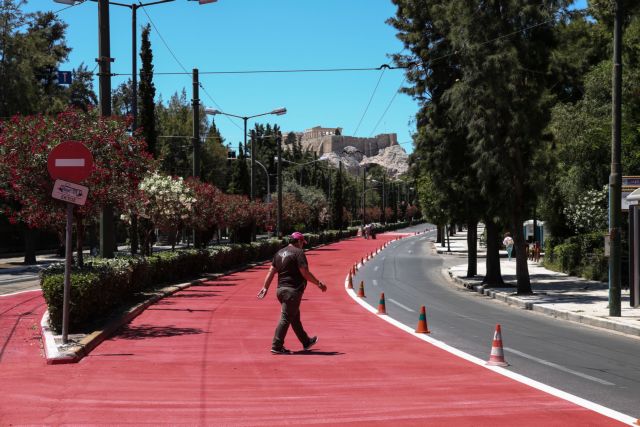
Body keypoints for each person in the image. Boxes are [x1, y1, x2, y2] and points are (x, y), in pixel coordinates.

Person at [257, 231, 327, 354]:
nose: (303, 245)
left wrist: (265, 287)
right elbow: (305, 273)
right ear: (299, 241)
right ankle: (276, 345)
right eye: (302, 243)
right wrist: (318, 283)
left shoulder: (279, 253)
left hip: (280, 290)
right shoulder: (298, 253)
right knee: (286, 318)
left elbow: (271, 271)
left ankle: (306, 341)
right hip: (292, 291)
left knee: (294, 317)